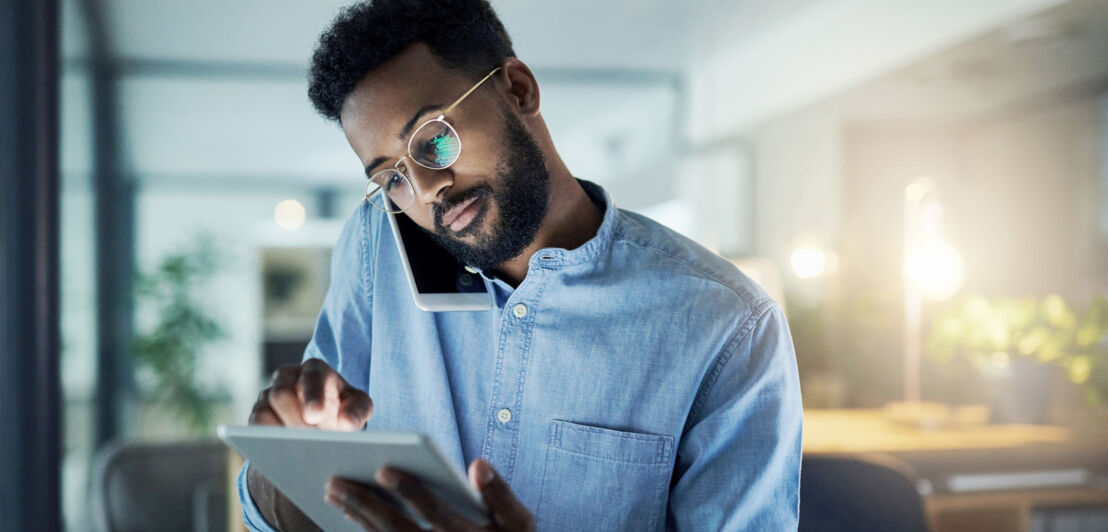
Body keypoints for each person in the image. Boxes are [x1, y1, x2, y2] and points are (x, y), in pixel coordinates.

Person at [237, 0, 803, 530]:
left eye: (433, 141)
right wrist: (283, 458)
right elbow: (277, 507)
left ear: (518, 89)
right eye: (392, 178)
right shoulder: (375, 248)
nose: (427, 189)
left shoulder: (727, 327)